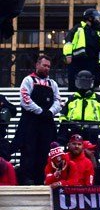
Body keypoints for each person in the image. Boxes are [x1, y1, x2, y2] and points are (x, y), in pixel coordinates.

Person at [15, 54, 63, 185]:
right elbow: (25, 99)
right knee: (28, 151)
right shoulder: (28, 80)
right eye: (44, 65)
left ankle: (41, 178)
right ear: (37, 65)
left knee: (44, 151)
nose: (47, 68)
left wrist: (50, 112)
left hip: (46, 122)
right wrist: (40, 111)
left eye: (49, 66)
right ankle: (26, 178)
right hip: (30, 122)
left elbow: (59, 101)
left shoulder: (52, 83)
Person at [58, 70, 100, 146]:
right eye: (81, 82)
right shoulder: (71, 98)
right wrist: (68, 124)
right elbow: (62, 115)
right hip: (74, 130)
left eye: (85, 82)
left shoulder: (99, 99)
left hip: (92, 131)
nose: (83, 85)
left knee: (91, 155)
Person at [64, 7, 100, 88]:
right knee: (75, 81)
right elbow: (68, 42)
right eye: (96, 18)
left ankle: (92, 88)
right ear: (90, 18)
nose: (97, 20)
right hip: (78, 59)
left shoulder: (96, 32)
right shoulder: (78, 28)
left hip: (92, 60)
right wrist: (68, 55)